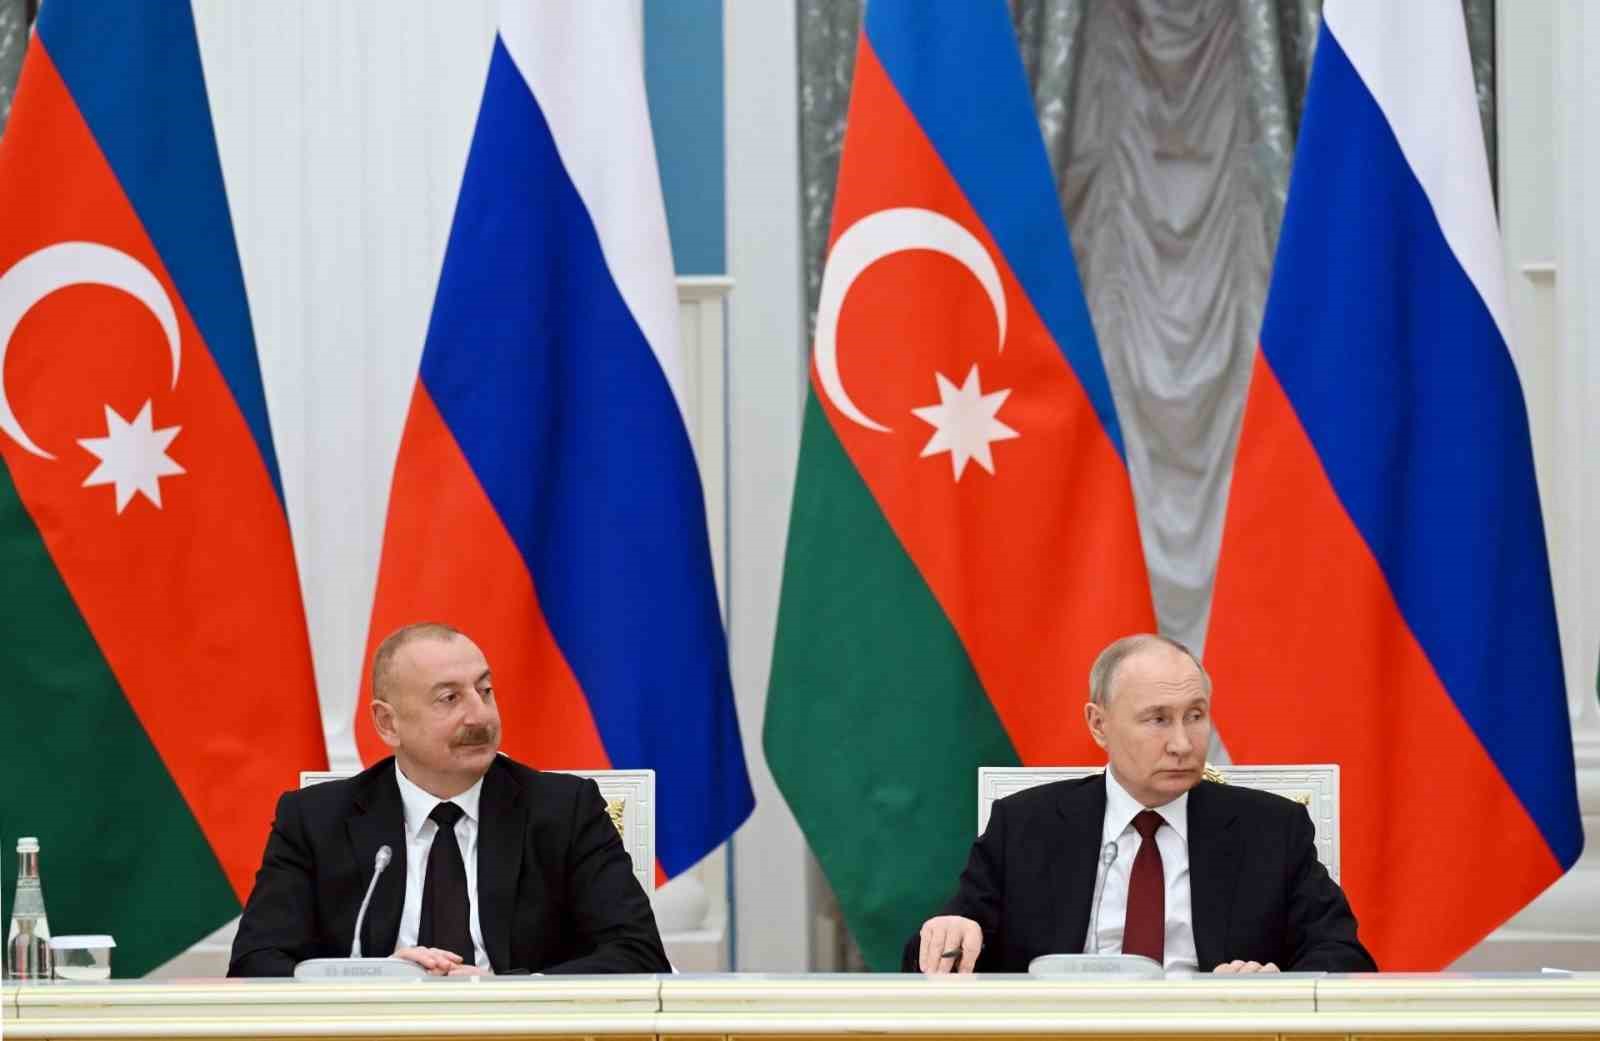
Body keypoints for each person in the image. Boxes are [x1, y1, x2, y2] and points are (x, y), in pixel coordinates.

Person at [906, 633, 1375, 975]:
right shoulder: (1026, 825)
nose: (1182, 744)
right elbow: (936, 955)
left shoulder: (1271, 828)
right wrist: (948, 936)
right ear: (1099, 724)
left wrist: (1274, 986)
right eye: (1157, 720)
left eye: (1195, 716)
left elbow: (1343, 956)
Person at [229, 622, 670, 976]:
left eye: (485, 690)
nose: (479, 715)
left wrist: (503, 992)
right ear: (387, 723)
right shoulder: (315, 819)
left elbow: (638, 954)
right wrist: (371, 979)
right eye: (449, 698)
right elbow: (255, 964)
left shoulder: (563, 810)